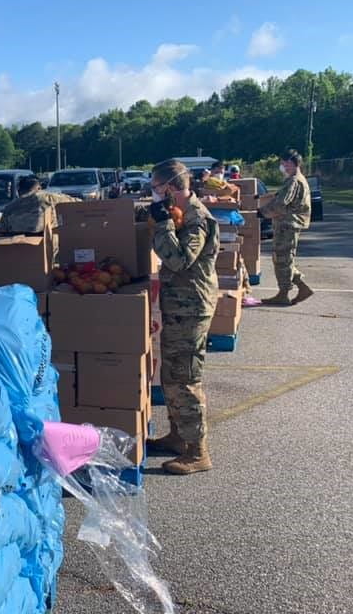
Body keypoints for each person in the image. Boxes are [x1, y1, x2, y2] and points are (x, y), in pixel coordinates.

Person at [145, 159, 219, 475]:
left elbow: (178, 260)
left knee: (185, 378)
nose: (155, 194)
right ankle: (179, 437)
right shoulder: (182, 214)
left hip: (192, 307)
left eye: (157, 189)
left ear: (172, 187)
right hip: (180, 305)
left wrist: (161, 223)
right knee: (172, 376)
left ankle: (197, 452)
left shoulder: (197, 219)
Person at [259, 149, 313, 306]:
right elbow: (279, 197)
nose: (283, 166)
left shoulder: (294, 181)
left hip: (287, 225)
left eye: (286, 163)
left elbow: (281, 204)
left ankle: (284, 294)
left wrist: (262, 213)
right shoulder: (294, 180)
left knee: (283, 259)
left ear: (295, 164)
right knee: (283, 259)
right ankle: (301, 288)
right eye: (282, 163)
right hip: (287, 225)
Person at [0, 175, 79, 234]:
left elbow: (2, 232)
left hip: (18, 248)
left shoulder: (9, 208)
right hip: (47, 245)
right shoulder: (50, 198)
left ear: (19, 191)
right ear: (39, 188)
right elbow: (78, 203)